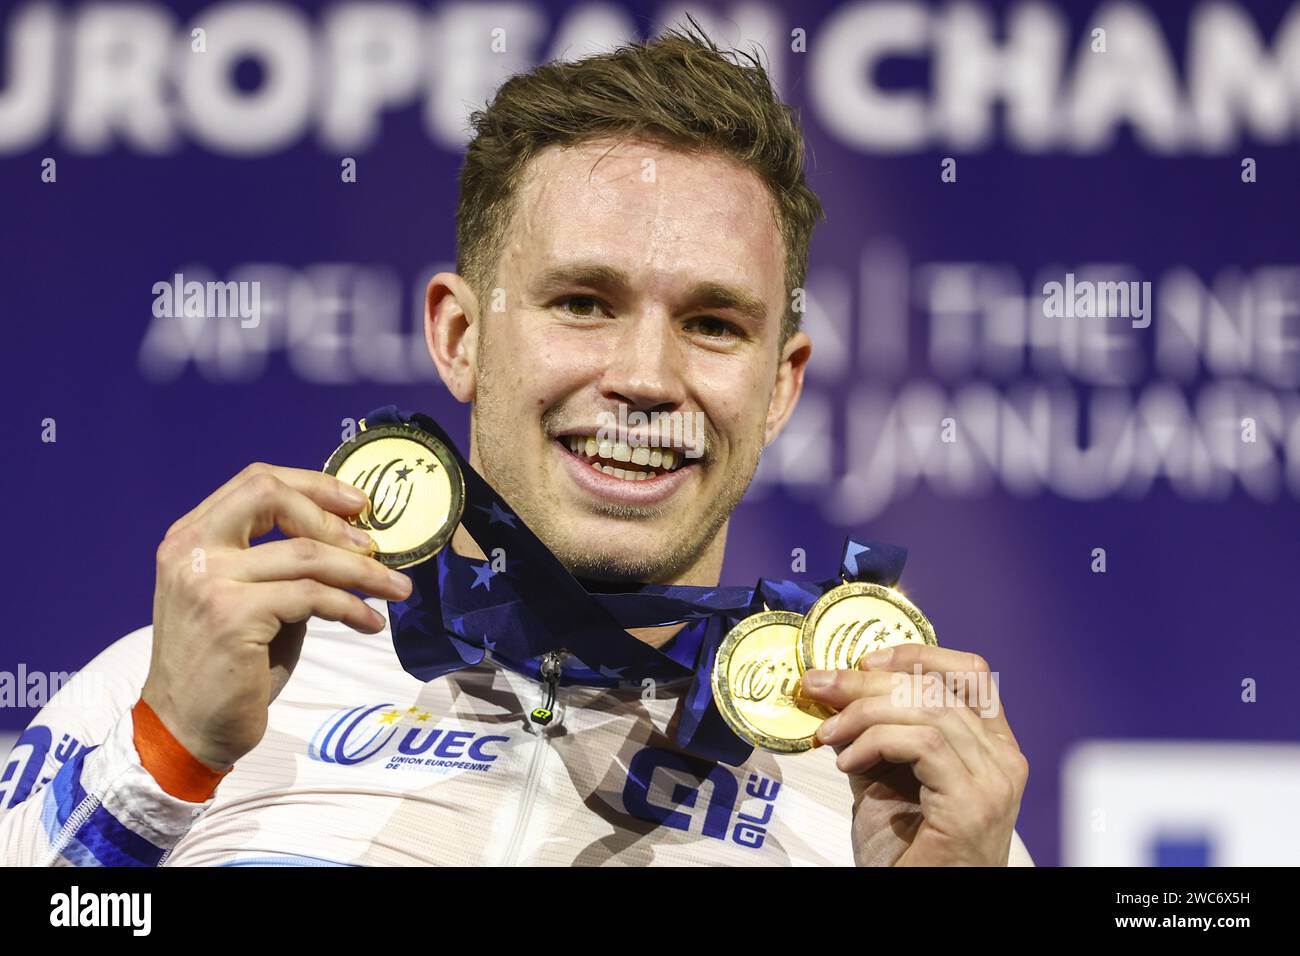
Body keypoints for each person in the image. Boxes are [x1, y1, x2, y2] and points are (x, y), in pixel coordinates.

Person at [0, 24, 1031, 866]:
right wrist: (164, 770)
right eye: (583, 302)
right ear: (461, 335)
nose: (645, 375)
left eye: (714, 323)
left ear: (778, 385)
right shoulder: (174, 691)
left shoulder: (889, 804)